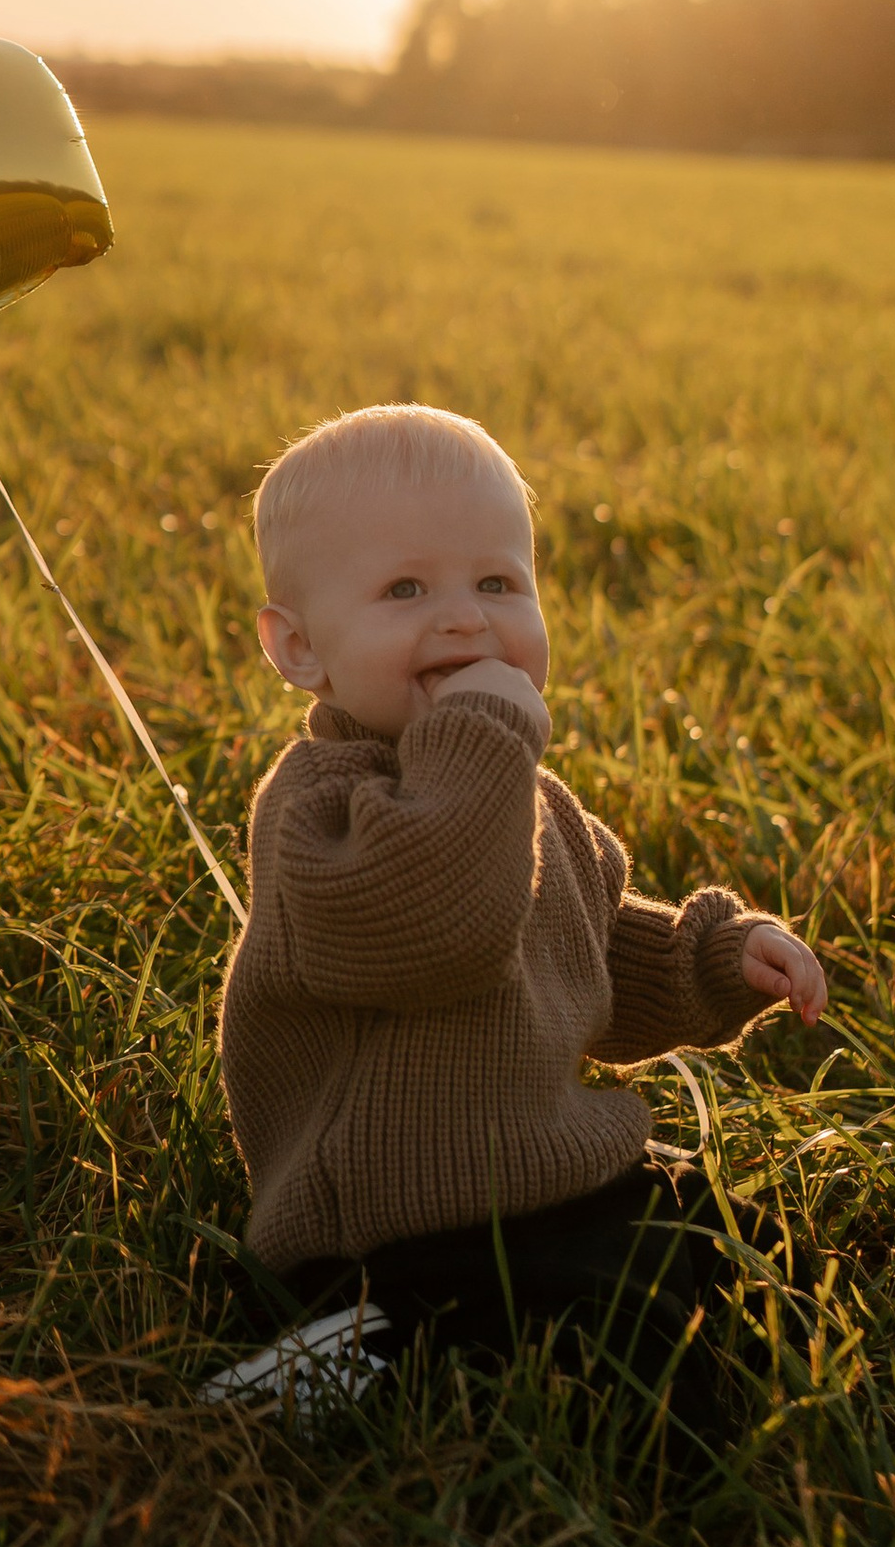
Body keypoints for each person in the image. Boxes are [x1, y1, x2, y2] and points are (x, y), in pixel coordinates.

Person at [216, 401, 829, 1412]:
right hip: (395, 1226)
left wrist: (711, 958)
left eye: (497, 583)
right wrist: (484, 737)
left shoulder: (513, 792)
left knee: (749, 1265)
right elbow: (435, 936)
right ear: (299, 650)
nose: (465, 619)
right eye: (404, 588)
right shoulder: (319, 807)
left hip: (536, 1179)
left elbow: (586, 945)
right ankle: (352, 1356)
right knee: (601, 1353)